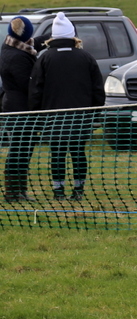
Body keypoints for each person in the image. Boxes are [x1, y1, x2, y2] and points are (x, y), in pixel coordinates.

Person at [29, 12, 105, 201]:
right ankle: (78, 191)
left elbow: (35, 91)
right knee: (78, 152)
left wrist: (36, 118)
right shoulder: (86, 57)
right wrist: (95, 113)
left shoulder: (44, 59)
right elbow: (98, 90)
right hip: (81, 117)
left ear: (52, 37)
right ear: (73, 36)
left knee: (57, 154)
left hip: (53, 117)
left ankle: (58, 191)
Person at [1, 16, 41, 202]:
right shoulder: (18, 57)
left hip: (15, 107)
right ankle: (13, 192)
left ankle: (19, 190)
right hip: (21, 109)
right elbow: (27, 85)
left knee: (22, 149)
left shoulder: (10, 48)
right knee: (20, 150)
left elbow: (35, 45)